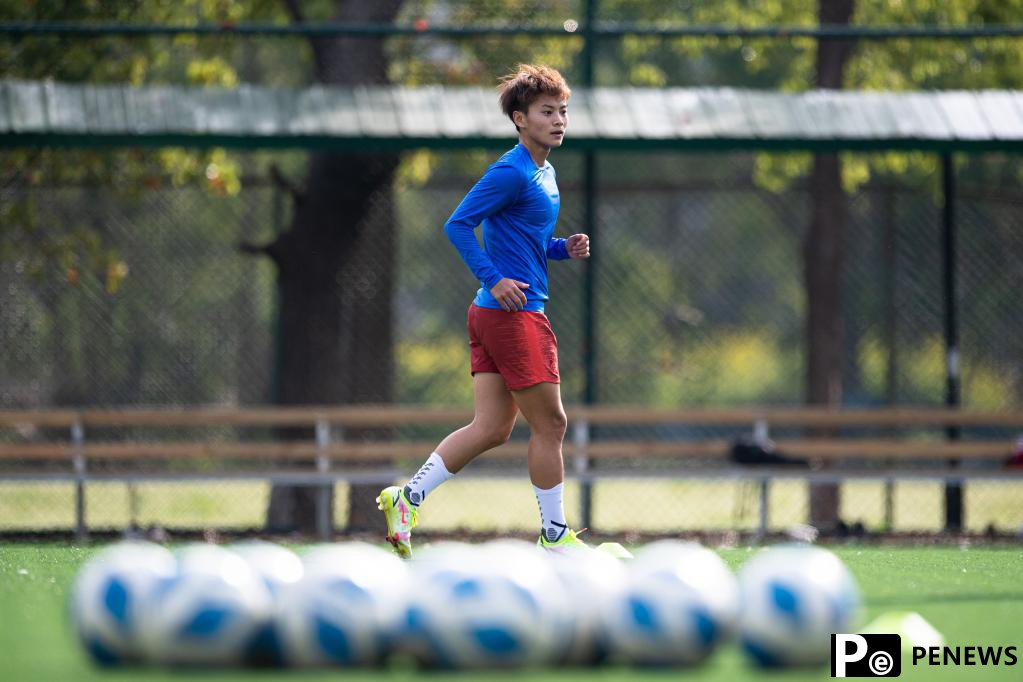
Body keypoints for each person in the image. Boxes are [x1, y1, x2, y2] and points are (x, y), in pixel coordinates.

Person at [376, 64, 590, 558]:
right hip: (512, 315)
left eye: (563, 111)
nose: (559, 120)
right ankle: (556, 537)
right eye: (546, 112)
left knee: (492, 427)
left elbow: (523, 242)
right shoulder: (511, 170)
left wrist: (561, 249)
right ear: (520, 118)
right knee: (551, 424)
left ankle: (406, 499)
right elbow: (457, 225)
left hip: (493, 314)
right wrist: (494, 279)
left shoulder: (544, 170)